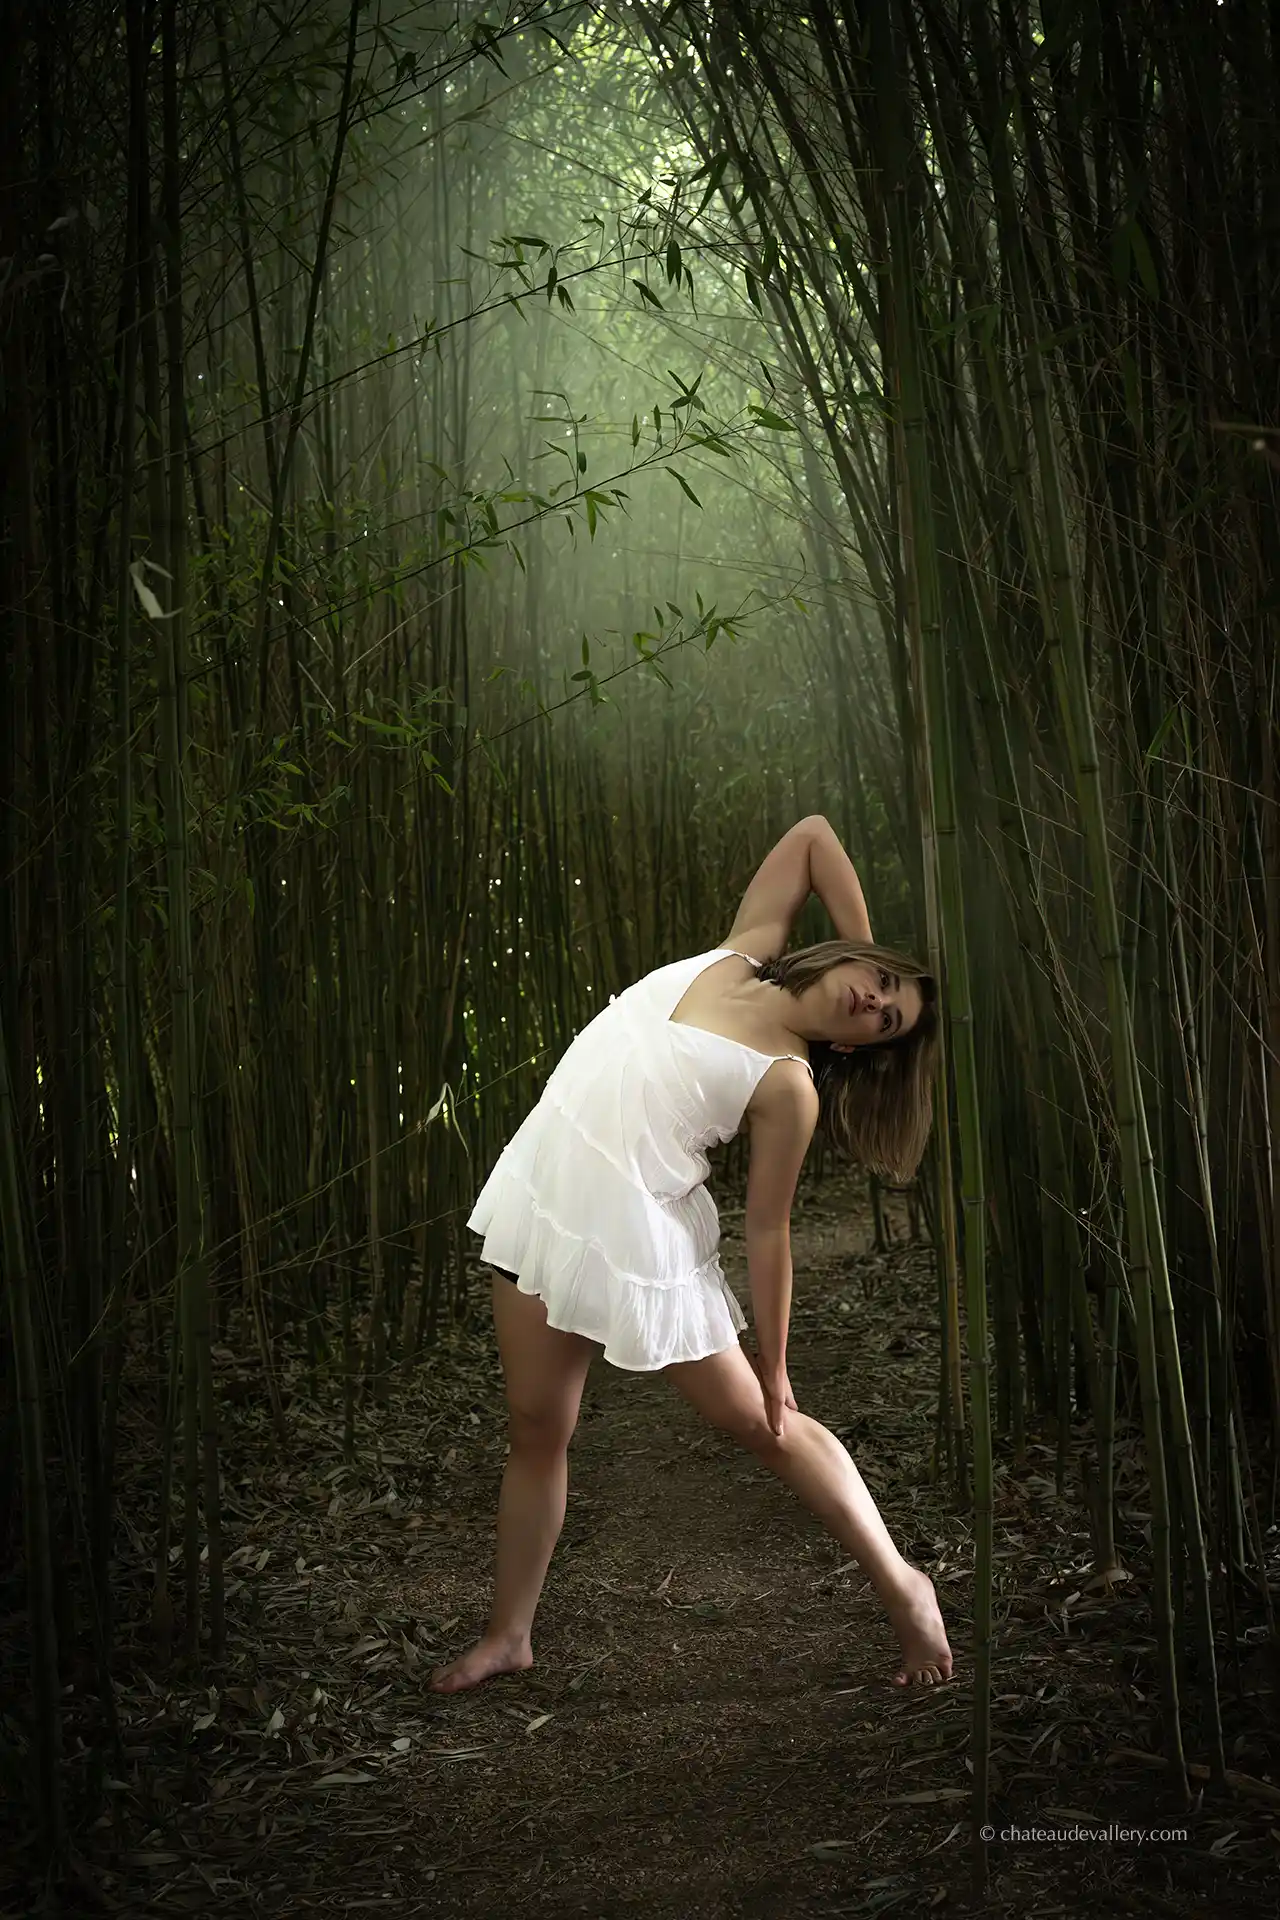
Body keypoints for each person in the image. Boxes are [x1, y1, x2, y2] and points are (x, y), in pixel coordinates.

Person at [430, 814, 954, 1695]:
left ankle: (905, 1586)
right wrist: (870, 945)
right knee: (536, 1426)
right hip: (545, 1191)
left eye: (888, 1021)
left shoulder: (789, 1083)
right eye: (881, 982)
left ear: (859, 1051)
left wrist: (778, 1362)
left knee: (761, 1423)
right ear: (855, 958)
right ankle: (509, 1635)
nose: (874, 1001)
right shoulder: (744, 950)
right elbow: (814, 838)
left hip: (636, 1229)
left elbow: (769, 1228)